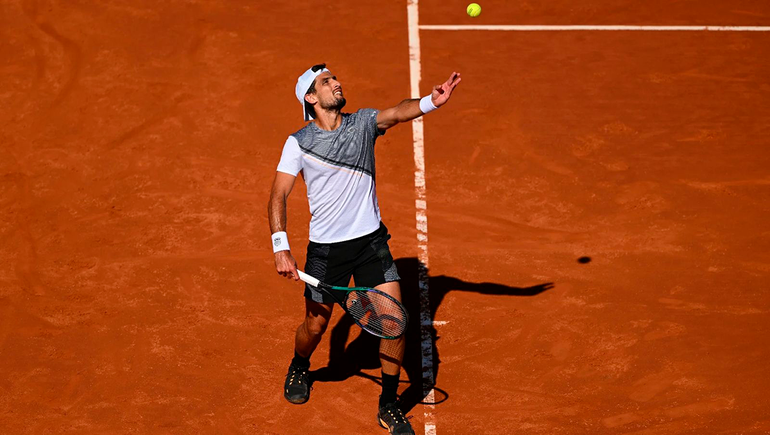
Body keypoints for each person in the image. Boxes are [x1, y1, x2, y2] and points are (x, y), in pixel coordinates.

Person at [268, 63, 460, 434]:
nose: (337, 83)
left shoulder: (363, 124)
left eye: (336, 78)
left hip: (371, 243)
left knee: (394, 323)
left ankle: (388, 405)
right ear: (311, 97)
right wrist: (281, 246)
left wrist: (430, 102)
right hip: (326, 253)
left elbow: (397, 112)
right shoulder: (299, 143)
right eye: (327, 82)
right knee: (316, 324)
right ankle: (300, 365)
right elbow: (278, 194)